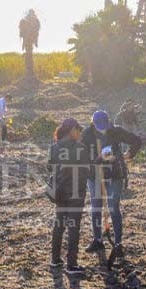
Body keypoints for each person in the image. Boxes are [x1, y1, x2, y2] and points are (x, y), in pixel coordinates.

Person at [81, 110, 142, 267]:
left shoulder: (116, 131)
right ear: (93, 123)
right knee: (96, 207)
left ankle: (118, 243)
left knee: (114, 207)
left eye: (104, 126)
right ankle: (98, 240)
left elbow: (136, 141)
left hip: (115, 174)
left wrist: (128, 154)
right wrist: (98, 159)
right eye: (99, 126)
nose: (103, 129)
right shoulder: (86, 135)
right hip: (95, 176)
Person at [48, 118, 90, 275]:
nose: (80, 132)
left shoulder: (54, 147)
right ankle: (71, 265)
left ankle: (55, 260)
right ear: (72, 130)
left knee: (59, 225)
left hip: (59, 191)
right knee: (74, 227)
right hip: (75, 192)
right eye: (78, 129)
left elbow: (49, 167)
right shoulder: (80, 148)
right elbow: (88, 171)